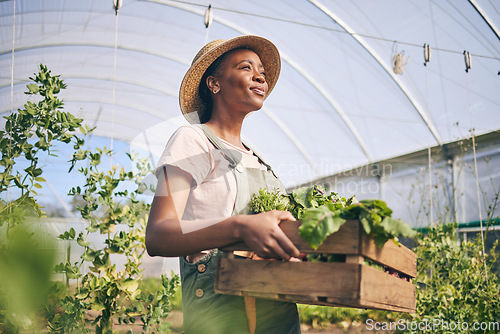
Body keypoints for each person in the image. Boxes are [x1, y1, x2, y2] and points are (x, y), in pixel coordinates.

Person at [146, 35, 301, 334]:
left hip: (277, 311)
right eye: (246, 67)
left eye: (263, 73)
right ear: (214, 84)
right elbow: (158, 234)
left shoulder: (258, 159)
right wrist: (240, 227)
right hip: (221, 314)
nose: (259, 76)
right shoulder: (191, 140)